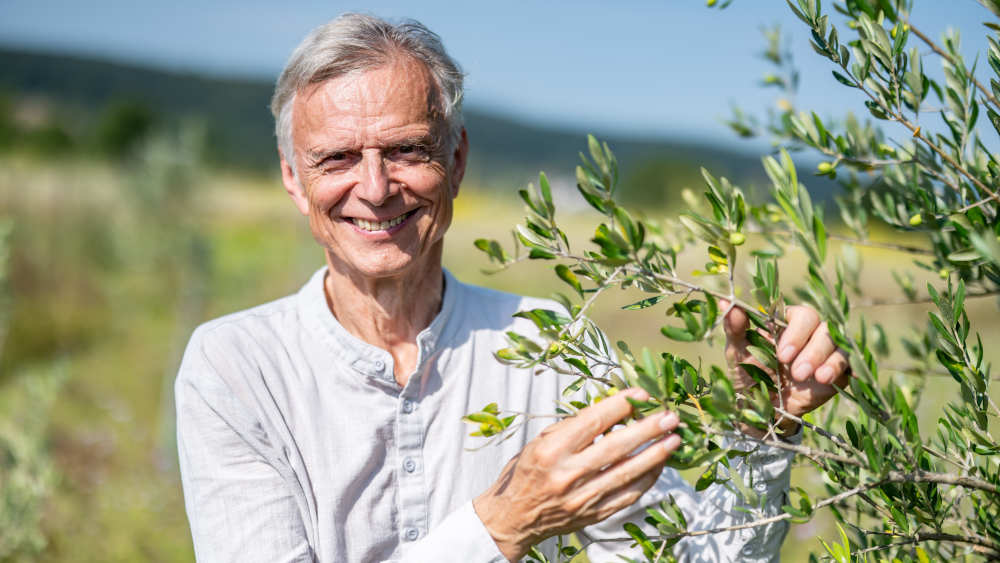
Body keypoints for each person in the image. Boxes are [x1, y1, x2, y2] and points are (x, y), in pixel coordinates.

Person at [175, 13, 849, 563]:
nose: (375, 189)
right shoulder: (235, 369)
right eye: (337, 158)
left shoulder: (550, 345)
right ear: (293, 178)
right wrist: (502, 525)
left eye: (407, 150)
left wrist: (766, 427)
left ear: (457, 159)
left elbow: (687, 558)